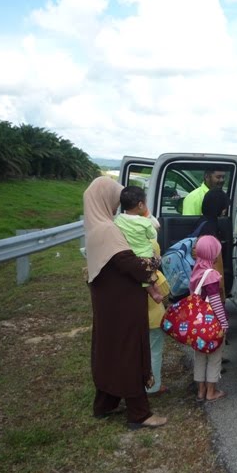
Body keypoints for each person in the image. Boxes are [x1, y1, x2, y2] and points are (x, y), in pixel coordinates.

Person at [83, 176, 167, 429]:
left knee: (110, 351)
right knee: (130, 352)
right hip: (124, 305)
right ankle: (139, 414)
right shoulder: (109, 230)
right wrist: (155, 263)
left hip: (108, 304)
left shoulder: (96, 227)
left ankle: (104, 404)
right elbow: (131, 264)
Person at [189, 235, 229, 403]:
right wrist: (224, 322)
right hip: (212, 324)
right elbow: (215, 301)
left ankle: (200, 390)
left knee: (200, 356)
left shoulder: (196, 271)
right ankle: (211, 391)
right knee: (214, 357)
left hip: (198, 324)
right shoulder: (211, 275)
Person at [115, 186, 163, 303]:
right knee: (150, 276)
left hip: (132, 256)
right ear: (141, 205)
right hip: (148, 256)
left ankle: (155, 293)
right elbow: (152, 235)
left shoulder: (118, 220)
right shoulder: (144, 222)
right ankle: (156, 294)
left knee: (145, 278)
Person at [192, 188, 230, 302]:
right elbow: (213, 258)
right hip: (208, 278)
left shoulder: (203, 221)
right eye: (224, 207)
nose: (225, 210)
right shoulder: (211, 227)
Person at [146, 239, 171, 397]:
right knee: (155, 352)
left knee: (142, 352)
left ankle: (140, 383)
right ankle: (154, 387)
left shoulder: (133, 273)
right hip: (155, 320)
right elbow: (166, 293)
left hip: (139, 319)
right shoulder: (156, 276)